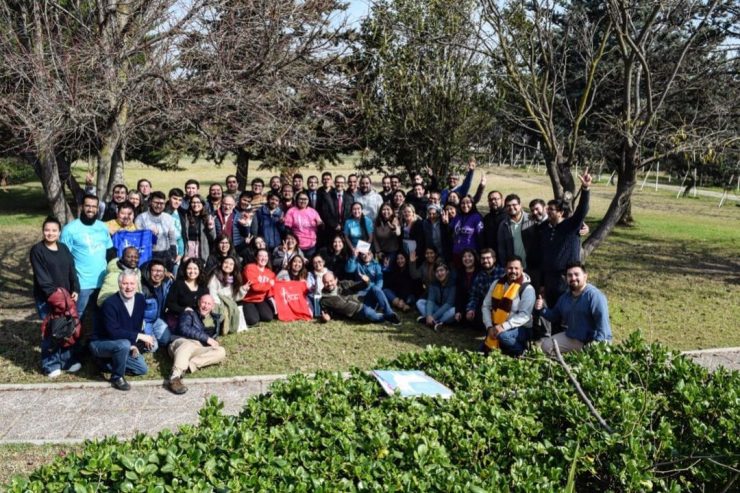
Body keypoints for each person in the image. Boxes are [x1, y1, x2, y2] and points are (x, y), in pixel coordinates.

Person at [30, 217, 83, 377]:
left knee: (67, 328)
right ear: (43, 231)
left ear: (59, 232)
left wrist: (75, 288)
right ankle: (50, 364)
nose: (50, 233)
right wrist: (55, 295)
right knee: (51, 331)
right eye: (47, 230)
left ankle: (67, 361)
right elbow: (42, 278)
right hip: (48, 298)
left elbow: (72, 270)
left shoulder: (64, 248)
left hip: (67, 298)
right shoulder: (37, 250)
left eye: (54, 230)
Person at [538, 170, 592, 309]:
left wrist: (585, 189)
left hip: (567, 280)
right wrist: (543, 283)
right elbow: (543, 258)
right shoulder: (544, 229)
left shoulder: (571, 225)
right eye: (547, 209)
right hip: (550, 281)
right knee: (553, 312)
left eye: (552, 209)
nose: (548, 211)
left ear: (561, 212)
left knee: (568, 312)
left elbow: (582, 210)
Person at [90, 271, 152, 391]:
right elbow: (112, 332)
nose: (129, 287)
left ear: (137, 285)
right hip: (101, 342)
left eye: (132, 283)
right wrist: (137, 338)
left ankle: (105, 363)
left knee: (141, 369)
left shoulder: (140, 299)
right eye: (125, 283)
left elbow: (136, 326)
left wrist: (134, 344)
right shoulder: (110, 303)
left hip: (123, 343)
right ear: (119, 284)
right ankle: (117, 377)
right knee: (124, 345)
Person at [536, 262, 611, 356]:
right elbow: (554, 316)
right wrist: (542, 309)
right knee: (546, 346)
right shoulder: (564, 298)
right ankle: (563, 361)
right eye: (570, 275)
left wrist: (596, 347)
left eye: (576, 274)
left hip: (593, 341)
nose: (573, 278)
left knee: (591, 356)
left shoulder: (595, 296)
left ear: (585, 276)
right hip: (573, 338)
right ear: (566, 279)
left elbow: (603, 329)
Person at [60, 194, 115, 320]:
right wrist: (71, 284)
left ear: (98, 208)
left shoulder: (102, 227)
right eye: (87, 206)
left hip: (103, 282)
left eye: (94, 206)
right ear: (81, 207)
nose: (91, 209)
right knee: (77, 316)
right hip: (82, 284)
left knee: (100, 316)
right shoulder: (70, 230)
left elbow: (110, 252)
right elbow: (63, 259)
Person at [167, 294, 226, 394]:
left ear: (213, 306)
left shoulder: (215, 320)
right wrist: (206, 339)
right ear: (199, 303)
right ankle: (175, 377)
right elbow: (184, 329)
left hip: (198, 348)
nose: (205, 306)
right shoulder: (189, 313)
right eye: (203, 303)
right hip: (182, 342)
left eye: (209, 304)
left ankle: (189, 365)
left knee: (221, 351)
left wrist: (211, 342)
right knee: (188, 345)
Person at [482, 256, 536, 357]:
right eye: (510, 268)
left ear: (522, 269)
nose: (513, 271)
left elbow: (524, 315)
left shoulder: (527, 289)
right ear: (505, 269)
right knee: (483, 349)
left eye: (516, 268)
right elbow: (486, 306)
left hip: (521, 327)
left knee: (502, 336)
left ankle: (521, 351)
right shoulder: (496, 284)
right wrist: (489, 327)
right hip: (497, 324)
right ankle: (505, 348)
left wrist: (503, 326)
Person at [319, 271, 400, 325]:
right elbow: (327, 313)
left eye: (331, 281)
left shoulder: (344, 284)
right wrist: (326, 318)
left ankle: (389, 313)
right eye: (326, 282)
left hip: (364, 301)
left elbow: (360, 285)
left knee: (375, 288)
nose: (329, 284)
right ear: (323, 283)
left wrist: (366, 281)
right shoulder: (324, 300)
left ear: (336, 280)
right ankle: (384, 318)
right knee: (368, 312)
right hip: (357, 312)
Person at [136, 191, 179, 271]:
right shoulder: (141, 218)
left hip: (166, 255)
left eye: (162, 203)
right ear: (150, 202)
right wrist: (149, 235)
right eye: (156, 203)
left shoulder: (168, 218)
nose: (159, 206)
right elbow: (138, 240)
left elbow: (172, 238)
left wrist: (173, 254)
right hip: (148, 255)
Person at [464, 248, 505, 330]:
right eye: (483, 258)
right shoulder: (479, 276)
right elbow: (474, 295)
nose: (485, 261)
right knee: (475, 321)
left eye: (488, 258)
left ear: (494, 259)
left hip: (502, 306)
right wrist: (470, 309)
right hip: (487, 307)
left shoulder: (503, 273)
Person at [208, 256, 248, 333]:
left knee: (235, 309)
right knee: (225, 311)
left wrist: (243, 290)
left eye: (231, 264)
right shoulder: (215, 277)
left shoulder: (234, 278)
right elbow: (212, 293)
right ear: (221, 264)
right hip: (217, 303)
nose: (228, 266)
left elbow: (233, 298)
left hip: (228, 303)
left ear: (234, 267)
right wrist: (222, 306)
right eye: (226, 263)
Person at [165, 258, 209, 326]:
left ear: (199, 270)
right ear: (185, 270)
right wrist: (184, 309)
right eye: (189, 268)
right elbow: (169, 303)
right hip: (178, 318)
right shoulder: (178, 284)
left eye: (195, 268)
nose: (192, 271)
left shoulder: (203, 287)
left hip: (196, 319)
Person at [497, 194, 535, 269]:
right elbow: (501, 249)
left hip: (532, 265)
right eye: (508, 205)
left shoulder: (531, 220)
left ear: (520, 205)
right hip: (514, 268)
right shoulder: (503, 225)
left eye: (514, 205)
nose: (511, 207)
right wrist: (505, 266)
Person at [416, 263, 456, 331]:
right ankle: (434, 322)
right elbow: (430, 300)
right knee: (420, 302)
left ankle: (431, 321)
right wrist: (429, 315)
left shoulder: (452, 284)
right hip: (437, 308)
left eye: (441, 270)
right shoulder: (433, 283)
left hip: (446, 311)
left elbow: (449, 304)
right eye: (437, 271)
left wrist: (433, 317)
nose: (439, 273)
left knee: (454, 311)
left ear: (447, 271)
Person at [242, 249, 276, 325]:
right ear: (256, 257)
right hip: (248, 299)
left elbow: (273, 288)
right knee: (253, 320)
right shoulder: (250, 268)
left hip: (261, 300)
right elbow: (255, 287)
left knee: (268, 317)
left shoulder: (270, 273)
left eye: (265, 256)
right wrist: (269, 284)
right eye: (261, 256)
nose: (263, 258)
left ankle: (256, 311)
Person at [284, 191, 323, 258]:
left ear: (308, 200)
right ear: (297, 200)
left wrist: (321, 224)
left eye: (305, 199)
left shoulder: (313, 211)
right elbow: (287, 229)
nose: (303, 201)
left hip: (311, 245)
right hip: (296, 246)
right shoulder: (291, 211)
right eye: (301, 199)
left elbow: (320, 225)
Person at [450, 195, 484, 268]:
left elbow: (481, 236)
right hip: (456, 253)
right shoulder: (457, 217)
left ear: (472, 204)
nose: (465, 205)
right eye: (463, 203)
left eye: (468, 202)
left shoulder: (477, 217)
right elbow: (450, 231)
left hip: (470, 254)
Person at [453, 248, 479, 324]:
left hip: (477, 305)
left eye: (469, 256)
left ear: (474, 257)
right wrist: (458, 311)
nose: (467, 258)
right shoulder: (460, 272)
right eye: (464, 256)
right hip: (464, 306)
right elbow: (458, 294)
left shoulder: (480, 271)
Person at [373, 203, 401, 268]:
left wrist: (394, 228)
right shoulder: (377, 221)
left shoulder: (395, 220)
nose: (386, 211)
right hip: (381, 251)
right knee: (380, 268)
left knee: (386, 268)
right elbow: (375, 238)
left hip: (392, 251)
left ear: (392, 211)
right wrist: (378, 251)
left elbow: (398, 233)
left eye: (388, 209)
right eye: (384, 209)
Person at [482, 190, 507, 259]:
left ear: (502, 200)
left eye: (496, 199)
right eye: (490, 200)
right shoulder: (486, 218)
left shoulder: (508, 216)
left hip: (506, 256)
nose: (493, 201)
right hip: (490, 257)